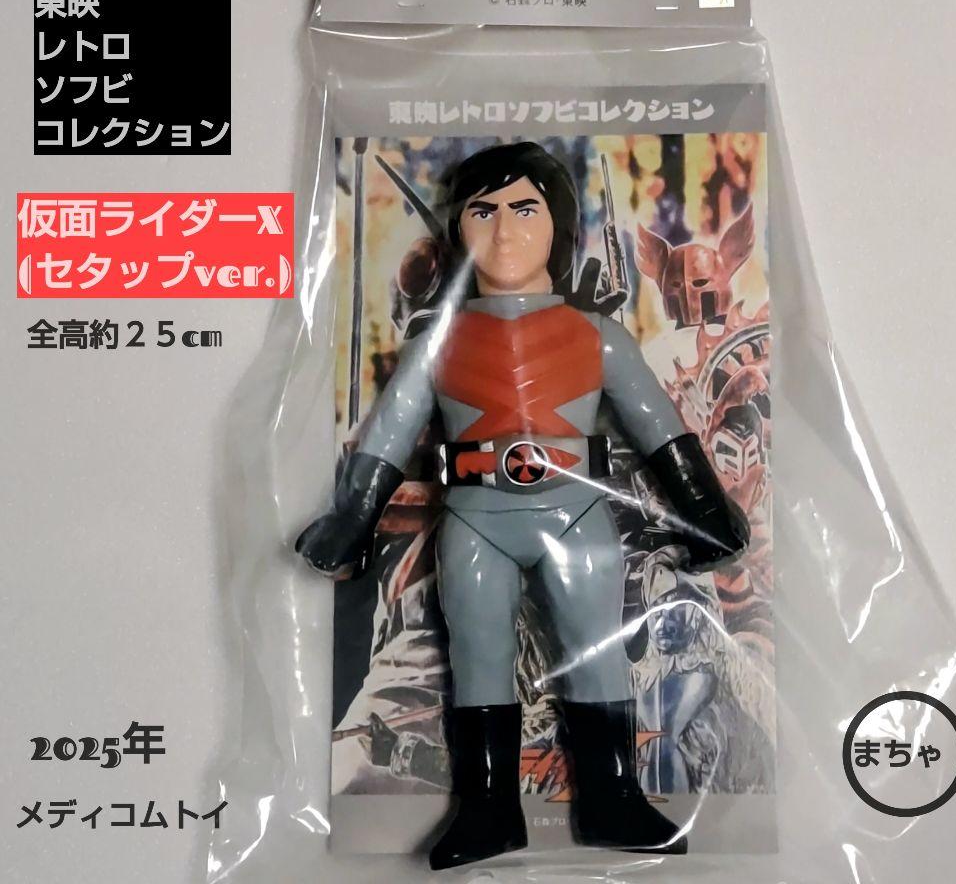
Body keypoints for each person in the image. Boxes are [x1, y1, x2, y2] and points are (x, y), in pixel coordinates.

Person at [296, 141, 749, 870]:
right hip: (475, 517)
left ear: (557, 226)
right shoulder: (439, 342)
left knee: (597, 656)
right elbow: (390, 433)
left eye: (524, 210)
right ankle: (487, 808)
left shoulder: (596, 337)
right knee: (478, 658)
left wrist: (706, 507)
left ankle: (612, 797)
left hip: (577, 512)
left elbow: (659, 426)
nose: (504, 231)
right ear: (457, 230)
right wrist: (353, 518)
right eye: (482, 212)